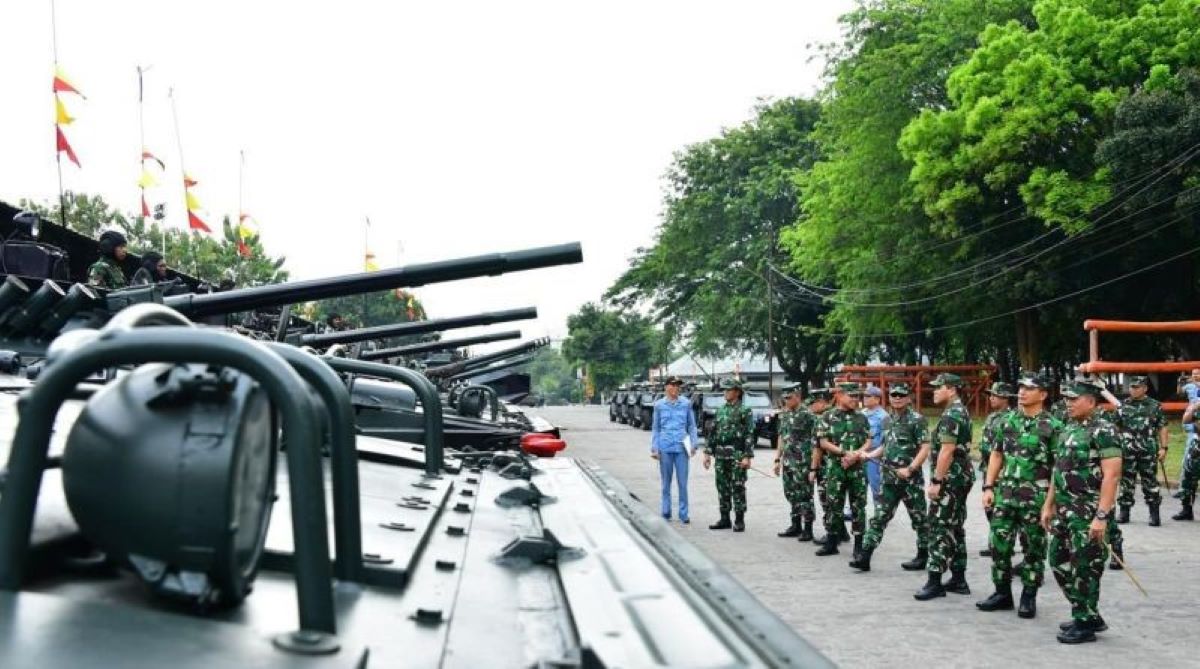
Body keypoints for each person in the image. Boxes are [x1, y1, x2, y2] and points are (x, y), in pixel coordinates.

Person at [1043, 378, 1123, 644]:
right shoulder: (1069, 428)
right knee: (1057, 560)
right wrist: (1049, 503)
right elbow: (1058, 470)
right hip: (1065, 511)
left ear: (1090, 401)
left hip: (1088, 513)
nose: (1068, 403)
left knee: (1085, 568)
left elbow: (1112, 476)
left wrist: (1101, 517)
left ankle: (1084, 623)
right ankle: (1087, 612)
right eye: (1066, 399)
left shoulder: (1104, 430)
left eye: (1073, 399)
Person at [977, 373, 1060, 619]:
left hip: (1035, 497)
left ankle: (1028, 596)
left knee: (1034, 548)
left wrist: (1050, 503)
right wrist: (988, 487)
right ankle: (1002, 593)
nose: (1022, 392)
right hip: (1006, 495)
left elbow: (1058, 467)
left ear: (1043, 394)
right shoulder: (1008, 420)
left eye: (1029, 389)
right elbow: (997, 454)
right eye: (1021, 387)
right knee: (998, 545)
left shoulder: (1053, 426)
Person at [851, 383, 930, 572]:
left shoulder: (917, 420)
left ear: (908, 398)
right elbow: (886, 446)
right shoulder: (888, 420)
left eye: (901, 395)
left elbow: (925, 448)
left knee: (919, 519)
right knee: (879, 517)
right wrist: (869, 455)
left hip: (910, 480)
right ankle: (865, 556)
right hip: (889, 479)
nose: (897, 398)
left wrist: (910, 469)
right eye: (893, 395)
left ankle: (922, 556)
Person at [915, 372, 974, 601]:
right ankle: (958, 577)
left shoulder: (952, 415)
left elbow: (947, 451)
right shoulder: (959, 411)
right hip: (960, 477)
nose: (935, 391)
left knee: (939, 526)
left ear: (951, 389)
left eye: (939, 387)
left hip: (950, 479)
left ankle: (934, 581)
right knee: (956, 526)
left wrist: (937, 481)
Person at [814, 382, 870, 558]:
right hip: (835, 469)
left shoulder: (862, 418)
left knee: (858, 506)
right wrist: (845, 453)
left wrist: (856, 455)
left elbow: (869, 441)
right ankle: (832, 542)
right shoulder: (827, 417)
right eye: (851, 396)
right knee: (833, 504)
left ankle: (859, 546)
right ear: (839, 395)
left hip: (857, 469)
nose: (855, 399)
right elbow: (823, 443)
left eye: (857, 396)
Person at [1115, 375, 1168, 526]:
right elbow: (1116, 428)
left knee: (1150, 481)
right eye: (1131, 387)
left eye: (1137, 387)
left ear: (1145, 388)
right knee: (1126, 482)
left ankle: (1154, 513)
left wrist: (1164, 448)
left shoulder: (1155, 406)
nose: (1133, 390)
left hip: (1148, 450)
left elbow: (1162, 427)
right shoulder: (1122, 406)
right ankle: (1124, 512)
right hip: (1127, 451)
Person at [703, 378, 755, 532]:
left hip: (737, 455)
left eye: (728, 389)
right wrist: (707, 453)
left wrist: (747, 456)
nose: (725, 392)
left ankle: (739, 520)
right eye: (724, 390)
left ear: (737, 392)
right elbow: (712, 433)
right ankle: (724, 518)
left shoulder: (745, 411)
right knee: (722, 487)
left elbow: (749, 434)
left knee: (738, 487)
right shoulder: (720, 410)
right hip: (720, 455)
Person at [650, 376, 699, 524]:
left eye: (678, 386)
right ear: (666, 387)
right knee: (666, 483)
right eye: (672, 385)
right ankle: (666, 512)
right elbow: (656, 428)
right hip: (665, 447)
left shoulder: (686, 404)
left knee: (682, 483)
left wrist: (693, 444)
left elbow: (691, 425)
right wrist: (654, 448)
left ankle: (684, 513)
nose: (675, 388)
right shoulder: (659, 405)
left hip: (681, 448)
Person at [773, 384, 818, 540]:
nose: (786, 401)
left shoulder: (807, 415)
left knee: (805, 495)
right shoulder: (785, 415)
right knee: (790, 493)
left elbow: (815, 441)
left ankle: (808, 528)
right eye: (784, 398)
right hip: (788, 461)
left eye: (789, 398)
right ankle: (795, 524)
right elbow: (781, 437)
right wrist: (777, 459)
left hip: (803, 461)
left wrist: (813, 466)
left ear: (797, 397)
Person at [978, 381, 1016, 557]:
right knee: (989, 508)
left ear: (1006, 398)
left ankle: (1004, 543)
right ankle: (995, 541)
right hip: (989, 469)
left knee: (1004, 510)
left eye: (995, 395)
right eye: (991, 395)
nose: (992, 398)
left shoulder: (1011, 418)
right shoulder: (992, 417)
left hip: (1003, 472)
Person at [805, 388, 834, 544]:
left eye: (813, 404)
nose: (810, 408)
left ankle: (831, 533)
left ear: (821, 402)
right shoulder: (830, 416)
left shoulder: (823, 419)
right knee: (832, 501)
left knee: (827, 501)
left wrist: (813, 468)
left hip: (826, 467)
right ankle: (840, 532)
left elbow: (819, 447)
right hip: (829, 466)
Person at [1175, 398, 1200, 521]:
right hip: (1196, 446)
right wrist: (1194, 407)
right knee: (1188, 479)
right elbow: (1186, 421)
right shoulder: (1197, 405)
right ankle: (1186, 510)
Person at [862, 386, 888, 503]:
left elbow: (886, 441)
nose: (865, 398)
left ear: (877, 399)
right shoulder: (861, 414)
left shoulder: (884, 417)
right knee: (858, 485)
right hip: (860, 455)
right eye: (864, 396)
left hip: (875, 457)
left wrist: (875, 454)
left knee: (876, 485)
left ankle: (880, 512)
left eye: (868, 396)